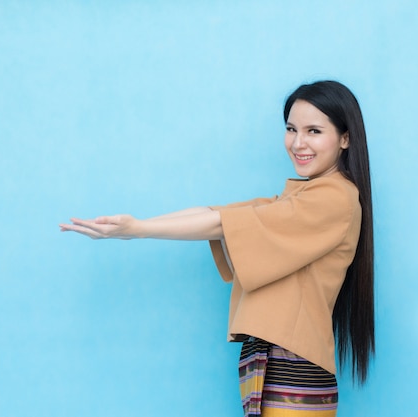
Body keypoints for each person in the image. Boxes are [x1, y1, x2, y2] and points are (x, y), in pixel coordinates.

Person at [59, 80, 375, 417]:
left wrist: (139, 229)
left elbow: (223, 224)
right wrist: (135, 226)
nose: (298, 143)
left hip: (293, 366)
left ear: (345, 138)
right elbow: (217, 214)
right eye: (291, 129)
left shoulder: (334, 199)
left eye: (314, 131)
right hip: (276, 360)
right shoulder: (301, 196)